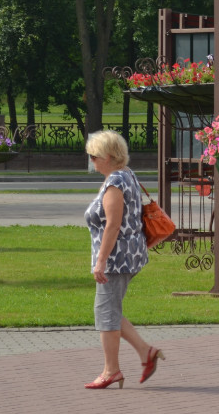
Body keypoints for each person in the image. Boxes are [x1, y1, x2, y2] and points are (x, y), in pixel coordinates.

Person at [83, 130, 164, 389]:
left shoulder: (115, 183)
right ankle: (146, 352)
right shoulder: (126, 174)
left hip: (116, 260)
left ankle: (111, 371)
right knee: (110, 310)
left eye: (94, 156)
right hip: (129, 255)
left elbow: (113, 225)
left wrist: (101, 262)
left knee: (106, 314)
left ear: (108, 156)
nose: (91, 161)